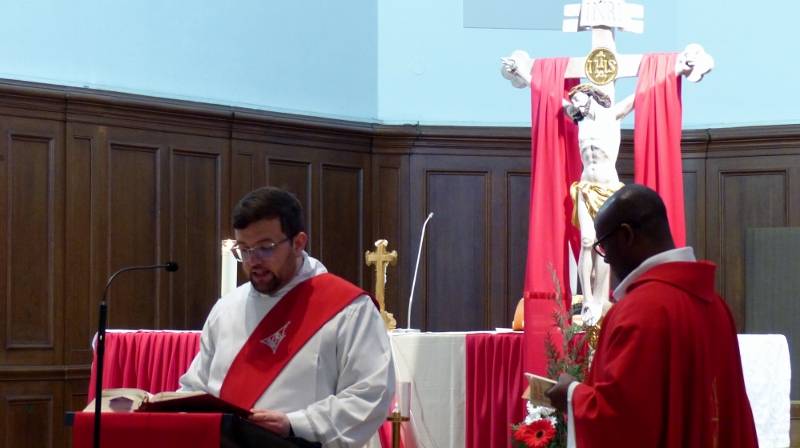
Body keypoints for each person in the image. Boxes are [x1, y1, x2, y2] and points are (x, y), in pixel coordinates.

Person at [544, 184, 759, 448]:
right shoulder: (716, 305)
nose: (606, 260)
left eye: (603, 245)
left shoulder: (639, 311)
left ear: (626, 235)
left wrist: (571, 394)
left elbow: (621, 422)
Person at [179, 186, 395, 447]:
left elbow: (371, 393)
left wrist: (294, 424)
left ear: (298, 244)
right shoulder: (227, 308)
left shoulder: (348, 309)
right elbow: (196, 388)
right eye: (244, 250)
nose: (253, 261)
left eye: (265, 248)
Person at [562, 84, 633, 325]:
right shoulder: (579, 119)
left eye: (580, 99)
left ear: (591, 96)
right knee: (586, 241)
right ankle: (587, 299)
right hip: (585, 187)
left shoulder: (612, 115)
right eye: (574, 101)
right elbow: (550, 96)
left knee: (603, 244)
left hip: (607, 188)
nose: (576, 104)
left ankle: (600, 299)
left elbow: (641, 94)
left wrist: (674, 70)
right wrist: (525, 75)